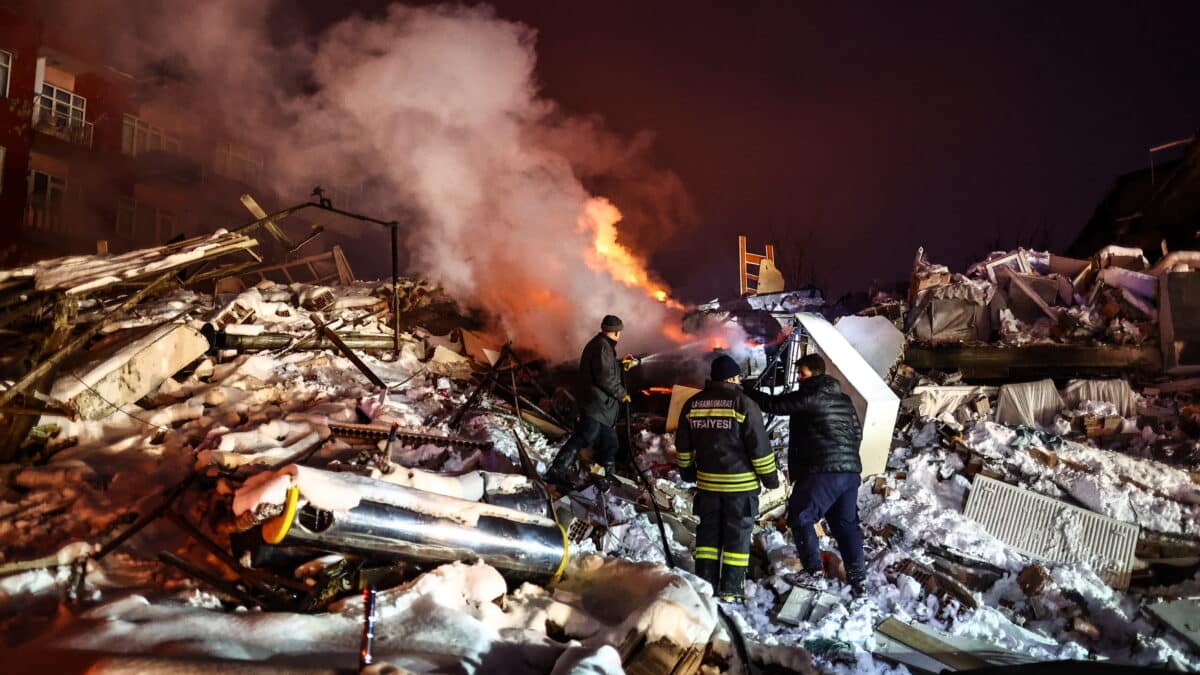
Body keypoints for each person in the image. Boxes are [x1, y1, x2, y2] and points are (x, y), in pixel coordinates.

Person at [744, 353, 867, 595]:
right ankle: (859, 580)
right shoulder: (843, 399)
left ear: (815, 373)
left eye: (802, 373)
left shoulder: (812, 393)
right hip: (850, 471)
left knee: (800, 516)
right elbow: (857, 433)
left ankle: (814, 573)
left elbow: (775, 406)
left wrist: (747, 389)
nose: (799, 378)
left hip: (822, 469)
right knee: (846, 526)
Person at [676, 354, 779, 601]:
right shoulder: (743, 404)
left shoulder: (693, 404)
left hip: (708, 486)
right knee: (737, 537)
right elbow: (759, 448)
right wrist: (770, 480)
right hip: (740, 487)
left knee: (708, 538)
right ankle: (731, 590)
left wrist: (688, 472)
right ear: (733, 377)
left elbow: (683, 446)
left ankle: (705, 586)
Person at [545, 315, 630, 487]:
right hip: (596, 405)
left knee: (610, 442)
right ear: (615, 332)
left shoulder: (602, 346)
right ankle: (557, 469)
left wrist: (621, 364)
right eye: (618, 332)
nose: (619, 335)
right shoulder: (602, 347)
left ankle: (608, 476)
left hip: (600, 407)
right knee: (585, 435)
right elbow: (604, 377)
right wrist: (621, 393)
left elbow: (606, 368)